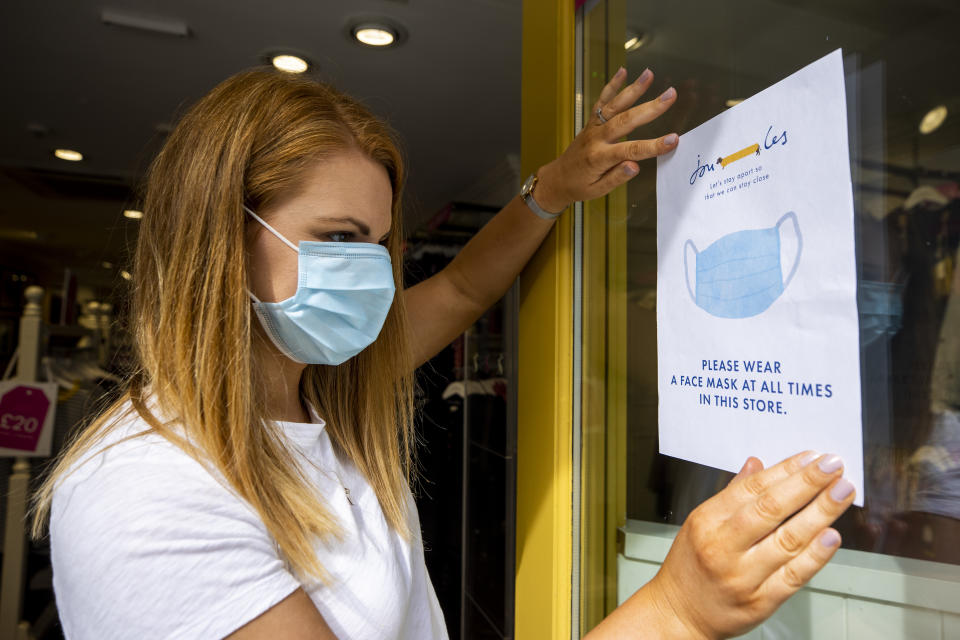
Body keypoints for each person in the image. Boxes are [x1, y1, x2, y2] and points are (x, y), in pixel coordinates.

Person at [31, 67, 855, 639]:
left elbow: (461, 290)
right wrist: (677, 612)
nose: (367, 274)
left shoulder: (324, 389)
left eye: (377, 246)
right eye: (338, 239)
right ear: (221, 239)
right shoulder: (145, 494)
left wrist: (552, 189)